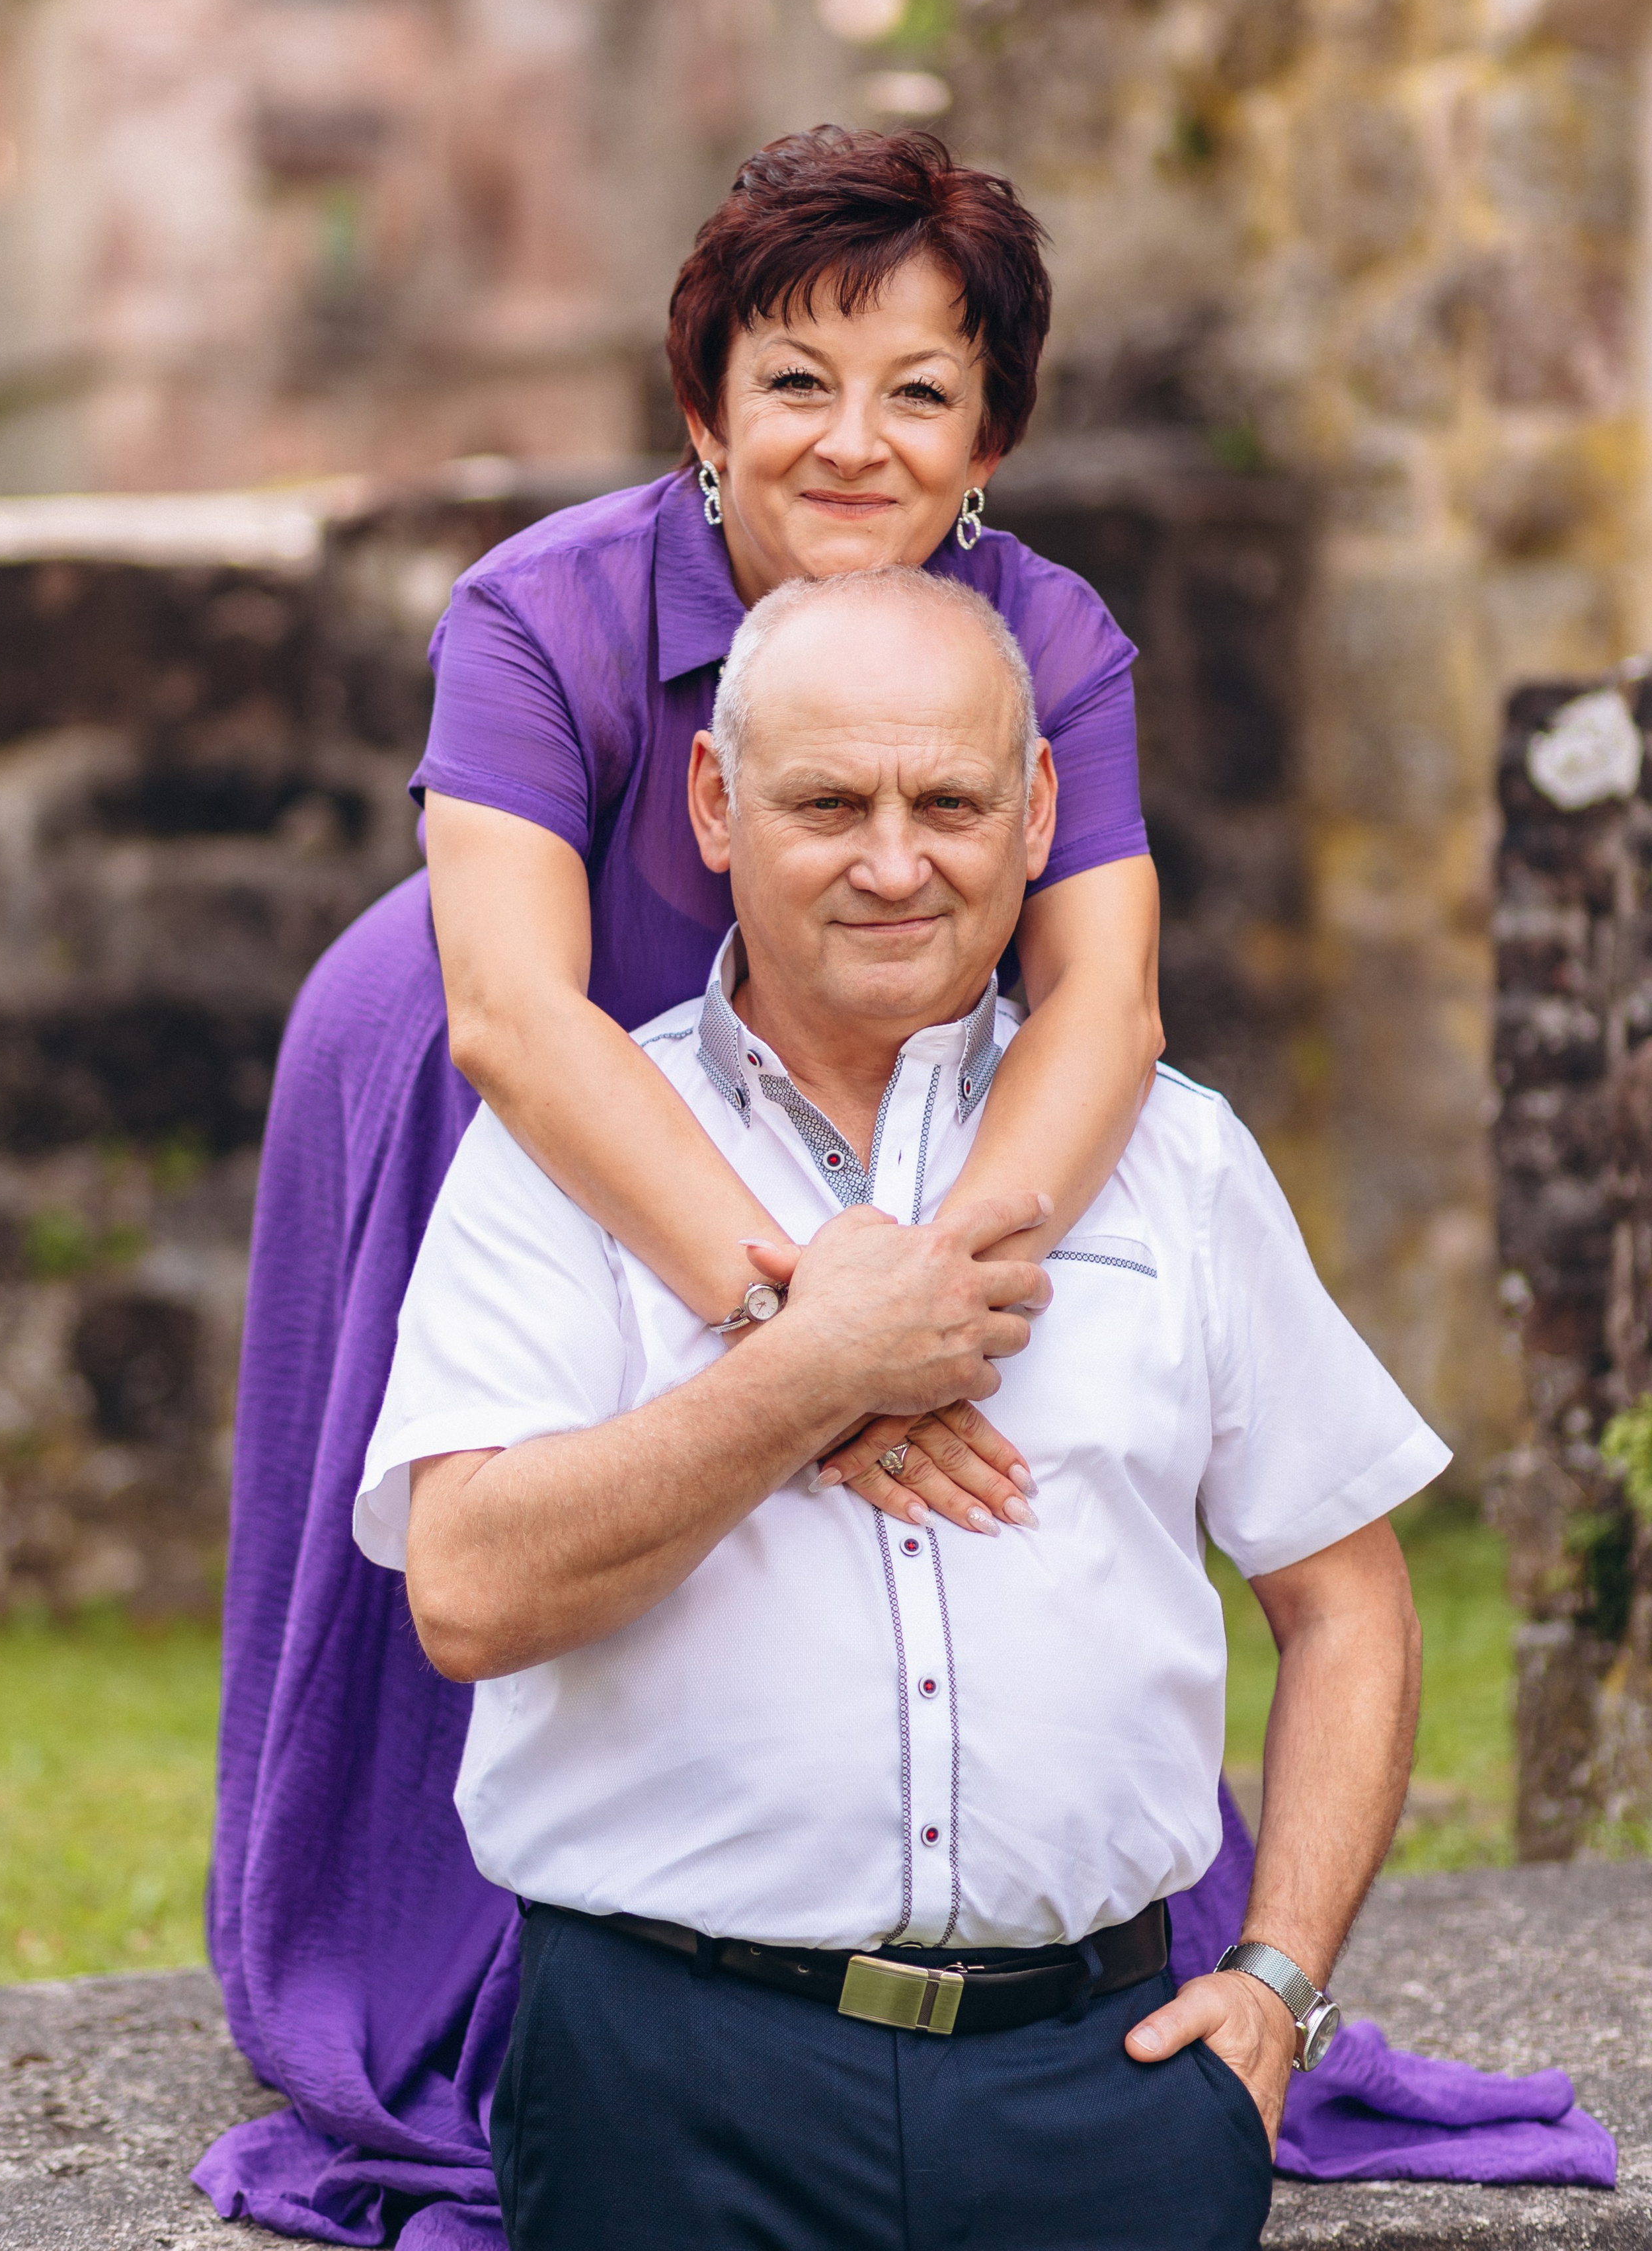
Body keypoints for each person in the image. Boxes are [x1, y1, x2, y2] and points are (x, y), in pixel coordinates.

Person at [360, 567, 1447, 2251]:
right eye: (826, 801)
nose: (892, 859)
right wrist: (807, 1370)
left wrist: (1278, 1987)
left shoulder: (1172, 1159)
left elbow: (1349, 1596)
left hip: (1105, 2092)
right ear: (716, 806)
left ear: (1037, 815)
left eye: (947, 801)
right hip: (664, 2088)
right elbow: (467, 1592)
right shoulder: (558, 1161)